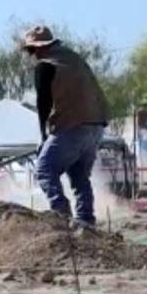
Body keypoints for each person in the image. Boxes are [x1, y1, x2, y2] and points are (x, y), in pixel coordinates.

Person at [26, 25, 110, 229]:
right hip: (96, 124)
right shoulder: (74, 58)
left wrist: (43, 136)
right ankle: (85, 221)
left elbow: (43, 104)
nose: (30, 55)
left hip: (72, 126)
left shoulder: (45, 65)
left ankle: (61, 215)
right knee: (80, 175)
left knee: (44, 170)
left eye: (30, 50)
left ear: (37, 49)